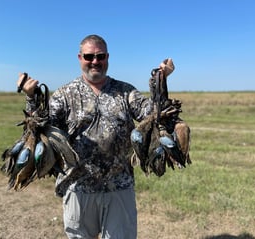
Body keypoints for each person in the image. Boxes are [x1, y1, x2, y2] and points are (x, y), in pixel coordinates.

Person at [17, 34, 158, 239]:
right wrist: (31, 97)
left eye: (100, 56)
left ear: (107, 57)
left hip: (119, 186)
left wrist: (159, 81)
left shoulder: (126, 91)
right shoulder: (65, 94)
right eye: (89, 56)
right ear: (79, 57)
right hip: (77, 186)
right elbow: (40, 130)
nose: (95, 61)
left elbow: (152, 115)